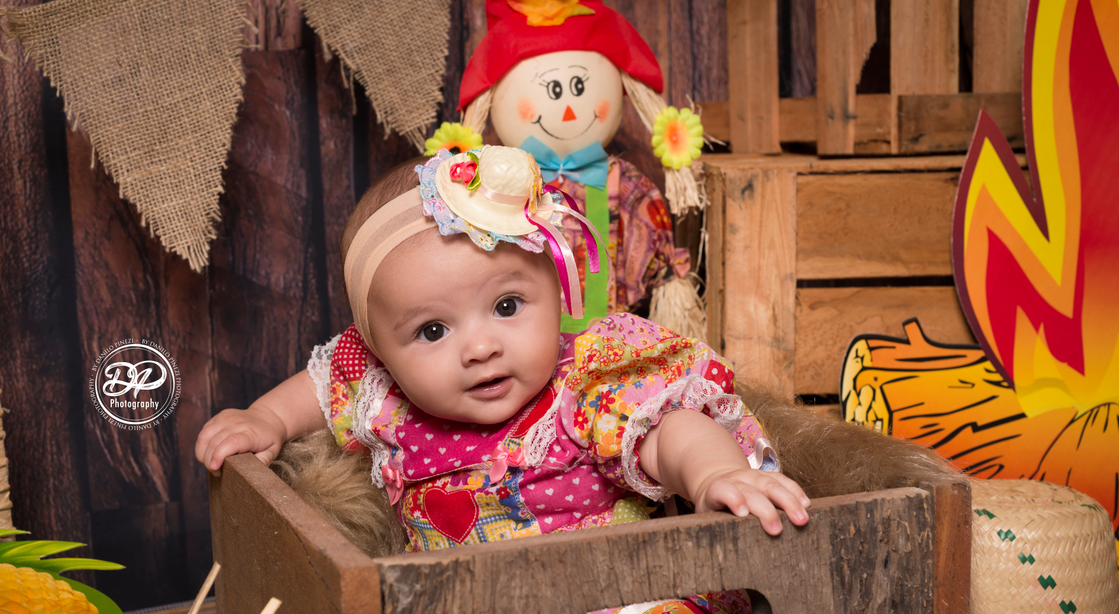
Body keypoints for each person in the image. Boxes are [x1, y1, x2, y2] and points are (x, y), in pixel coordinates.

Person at [195, 146, 809, 553]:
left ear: (558, 291)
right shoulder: (384, 396)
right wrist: (264, 419)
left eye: (508, 306)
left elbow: (671, 429)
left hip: (606, 602)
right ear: (379, 348)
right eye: (432, 331)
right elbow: (321, 383)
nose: (481, 347)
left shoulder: (587, 382)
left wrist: (714, 473)